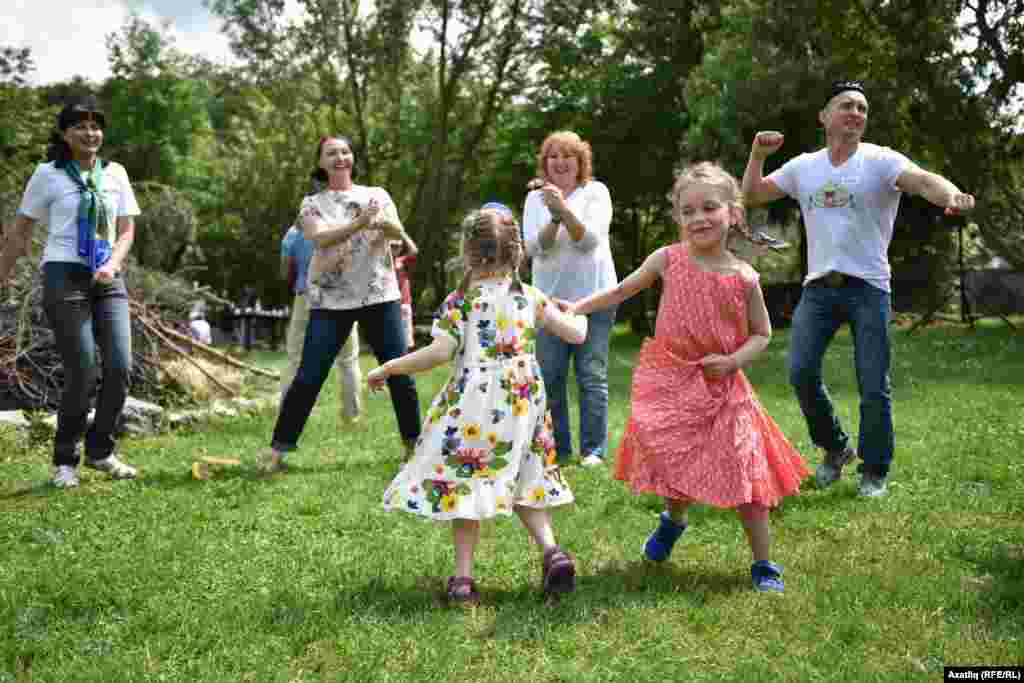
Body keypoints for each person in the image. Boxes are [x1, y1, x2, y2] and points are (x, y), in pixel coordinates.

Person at [566, 162, 808, 592]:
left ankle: (764, 563)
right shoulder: (668, 259)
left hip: (724, 387)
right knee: (678, 469)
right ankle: (673, 521)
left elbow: (762, 334)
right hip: (674, 382)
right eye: (689, 210)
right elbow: (622, 290)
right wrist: (577, 308)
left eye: (710, 208)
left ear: (733, 213)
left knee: (747, 472)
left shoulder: (744, 277)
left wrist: (734, 361)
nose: (699, 218)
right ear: (678, 217)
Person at [742, 79, 976, 498]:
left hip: (869, 287)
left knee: (873, 382)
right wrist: (758, 154)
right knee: (800, 371)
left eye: (863, 109)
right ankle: (835, 449)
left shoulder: (880, 161)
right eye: (847, 105)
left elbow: (923, 181)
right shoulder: (804, 167)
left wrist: (952, 194)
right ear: (824, 116)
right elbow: (754, 194)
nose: (856, 113)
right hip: (818, 288)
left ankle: (875, 468)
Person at [371, 204, 588, 605]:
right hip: (524, 404)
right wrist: (578, 315)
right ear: (516, 253)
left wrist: (391, 367)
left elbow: (437, 354)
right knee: (527, 474)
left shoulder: (461, 303)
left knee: (465, 483)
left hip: (473, 409)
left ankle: (463, 580)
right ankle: (551, 551)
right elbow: (574, 334)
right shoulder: (531, 298)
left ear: (469, 253)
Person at [0, 95, 140, 488]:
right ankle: (65, 460)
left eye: (96, 126)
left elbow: (127, 229)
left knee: (119, 366)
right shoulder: (48, 174)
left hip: (108, 276)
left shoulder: (116, 174)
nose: (90, 132)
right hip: (64, 275)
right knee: (83, 369)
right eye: (80, 125)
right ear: (65, 133)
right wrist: (3, 273)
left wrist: (113, 263)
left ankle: (101, 451)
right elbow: (21, 230)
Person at [264, 135, 420, 471]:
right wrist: (360, 223)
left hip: (380, 295)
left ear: (352, 158)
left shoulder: (376, 195)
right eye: (331, 153)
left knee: (399, 371)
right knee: (308, 376)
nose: (340, 157)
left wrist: (383, 222)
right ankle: (277, 451)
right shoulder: (311, 204)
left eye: (345, 151)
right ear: (321, 162)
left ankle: (414, 446)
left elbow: (397, 233)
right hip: (330, 301)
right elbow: (319, 237)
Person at [522, 131, 616, 468]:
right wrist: (554, 214)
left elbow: (589, 241)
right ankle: (557, 449)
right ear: (545, 163)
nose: (560, 162)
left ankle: (593, 451)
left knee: (591, 374)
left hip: (596, 296)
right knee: (550, 376)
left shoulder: (596, 192)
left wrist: (563, 208)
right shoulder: (535, 200)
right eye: (553, 156)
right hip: (548, 300)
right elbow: (534, 248)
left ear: (580, 162)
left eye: (568, 156)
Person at [281, 220, 362, 423]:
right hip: (342, 296)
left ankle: (288, 413)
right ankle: (351, 416)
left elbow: (285, 270)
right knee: (348, 358)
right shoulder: (346, 225)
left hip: (306, 294)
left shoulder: (295, 231)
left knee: (296, 357)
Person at [390, 233, 419, 348]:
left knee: (407, 339)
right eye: (392, 246)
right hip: (391, 304)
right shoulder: (383, 261)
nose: (395, 249)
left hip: (404, 303)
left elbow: (414, 251)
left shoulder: (402, 261)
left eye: (397, 246)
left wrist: (401, 233)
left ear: (401, 248)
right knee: (393, 338)